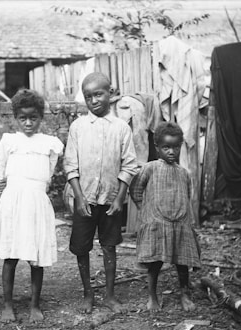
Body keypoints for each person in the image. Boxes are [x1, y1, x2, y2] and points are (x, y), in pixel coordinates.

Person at [0, 89, 64, 323]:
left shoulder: (51, 144)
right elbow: (0, 172)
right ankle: (7, 305)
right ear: (15, 118)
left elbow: (47, 177)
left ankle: (35, 305)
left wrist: (34, 193)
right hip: (12, 203)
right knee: (10, 255)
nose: (28, 123)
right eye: (23, 118)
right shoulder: (9, 141)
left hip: (36, 203)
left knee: (36, 257)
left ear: (41, 117)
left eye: (33, 118)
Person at [64, 72, 137, 314]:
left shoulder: (121, 128)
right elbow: (70, 165)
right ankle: (88, 294)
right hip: (84, 200)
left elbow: (129, 165)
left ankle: (109, 295)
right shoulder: (78, 127)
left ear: (111, 93)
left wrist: (119, 198)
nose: (94, 100)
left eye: (98, 94)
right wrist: (79, 197)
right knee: (82, 248)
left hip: (110, 201)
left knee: (109, 246)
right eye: (88, 96)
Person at [130, 121, 201, 312]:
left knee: (182, 262)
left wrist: (188, 221)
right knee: (156, 261)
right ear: (157, 147)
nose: (171, 152)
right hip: (157, 222)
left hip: (180, 223)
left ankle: (185, 294)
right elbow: (136, 189)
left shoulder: (184, 173)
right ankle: (152, 296)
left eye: (176, 147)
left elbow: (187, 196)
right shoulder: (150, 168)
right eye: (166, 147)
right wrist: (146, 211)